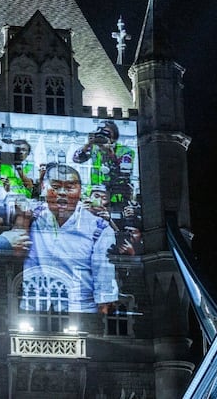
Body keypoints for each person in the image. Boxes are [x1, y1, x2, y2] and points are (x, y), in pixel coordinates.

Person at [22, 164, 118, 313]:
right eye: (55, 186)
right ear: (43, 187)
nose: (62, 193)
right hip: (34, 309)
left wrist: (101, 314)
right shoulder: (31, 215)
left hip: (80, 310)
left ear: (80, 191)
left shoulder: (99, 228)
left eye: (69, 187)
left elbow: (104, 279)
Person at [72, 121, 135, 213]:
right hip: (96, 196)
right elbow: (76, 159)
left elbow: (124, 173)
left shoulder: (125, 151)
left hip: (116, 197)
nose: (102, 137)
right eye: (100, 134)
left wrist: (110, 152)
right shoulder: (94, 148)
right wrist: (88, 144)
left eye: (106, 134)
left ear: (114, 137)